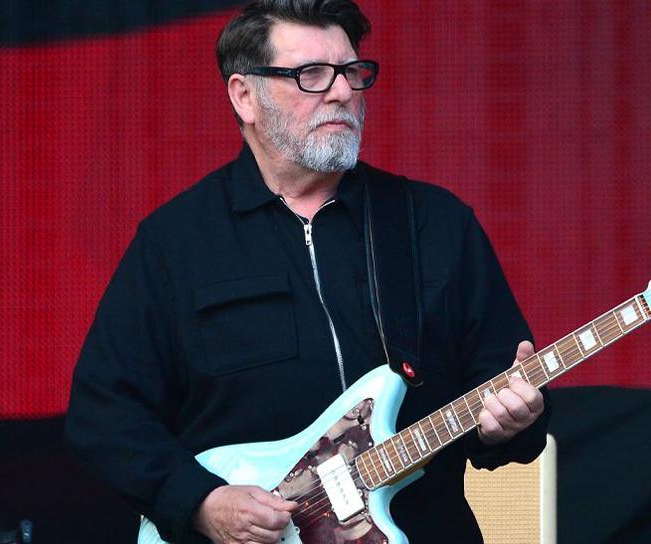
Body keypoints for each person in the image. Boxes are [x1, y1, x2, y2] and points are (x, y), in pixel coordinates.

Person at [65, 1, 551, 543]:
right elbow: (103, 414)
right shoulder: (176, 242)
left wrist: (515, 420)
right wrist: (199, 501)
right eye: (311, 74)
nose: (342, 91)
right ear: (244, 96)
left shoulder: (434, 224)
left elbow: (506, 390)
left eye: (352, 72)